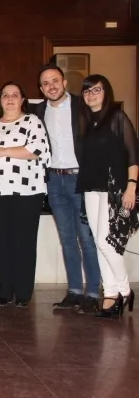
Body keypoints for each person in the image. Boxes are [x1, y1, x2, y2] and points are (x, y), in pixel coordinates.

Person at [33, 64, 101, 313]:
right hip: (54, 181)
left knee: (87, 238)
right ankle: (74, 291)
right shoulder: (38, 112)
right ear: (41, 89)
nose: (51, 86)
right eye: (46, 83)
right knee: (67, 239)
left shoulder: (83, 106)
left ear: (64, 83)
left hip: (80, 179)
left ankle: (93, 292)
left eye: (55, 81)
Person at [0, 82, 50, 308]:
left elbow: (37, 150)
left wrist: (2, 151)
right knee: (0, 242)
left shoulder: (32, 121)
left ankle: (22, 292)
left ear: (22, 100)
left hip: (27, 191)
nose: (10, 99)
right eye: (5, 95)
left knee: (24, 242)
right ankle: (4, 290)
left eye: (15, 95)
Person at [75, 75, 137, 318]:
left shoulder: (117, 117)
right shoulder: (85, 121)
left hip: (115, 187)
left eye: (96, 90)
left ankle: (125, 290)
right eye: (87, 91)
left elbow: (133, 155)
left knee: (105, 242)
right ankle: (110, 294)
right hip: (91, 186)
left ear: (106, 92)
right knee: (99, 242)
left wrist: (131, 186)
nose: (91, 94)